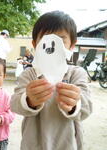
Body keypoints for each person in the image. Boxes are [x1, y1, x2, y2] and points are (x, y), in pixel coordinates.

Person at [10, 10, 92, 150]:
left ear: (72, 45)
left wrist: (74, 103)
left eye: (61, 39)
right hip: (33, 143)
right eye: (46, 39)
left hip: (67, 143)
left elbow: (86, 108)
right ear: (35, 44)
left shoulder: (76, 74)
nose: (53, 46)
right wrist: (28, 100)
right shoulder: (29, 75)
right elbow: (15, 104)